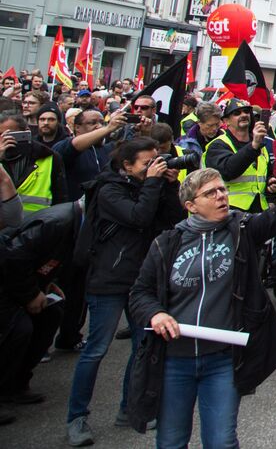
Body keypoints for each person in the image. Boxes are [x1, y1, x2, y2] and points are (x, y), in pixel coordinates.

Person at [128, 155, 276, 447]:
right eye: (211, 193)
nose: (221, 196)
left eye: (222, 189)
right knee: (171, 441)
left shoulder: (241, 230)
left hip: (222, 359)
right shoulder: (167, 243)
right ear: (190, 206)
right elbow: (140, 293)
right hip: (175, 360)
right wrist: (156, 314)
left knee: (222, 441)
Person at [64, 138, 183, 446]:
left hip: (140, 280)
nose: (154, 166)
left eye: (156, 160)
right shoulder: (108, 190)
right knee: (96, 350)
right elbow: (137, 217)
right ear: (126, 166)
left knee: (142, 346)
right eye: (147, 162)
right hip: (108, 279)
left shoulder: (150, 185)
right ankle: (77, 417)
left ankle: (129, 408)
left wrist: (167, 185)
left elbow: (170, 220)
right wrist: (153, 184)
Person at [0, 198, 80, 406]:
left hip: (27, 282)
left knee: (52, 314)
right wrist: (30, 295)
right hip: (7, 283)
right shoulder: (56, 222)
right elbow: (14, 258)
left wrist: (47, 282)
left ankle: (17, 381)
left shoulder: (76, 222)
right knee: (19, 329)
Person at [203, 104, 276, 213]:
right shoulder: (217, 145)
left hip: (260, 210)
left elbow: (264, 175)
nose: (243, 115)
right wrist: (253, 145)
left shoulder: (259, 143)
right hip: (230, 211)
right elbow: (228, 171)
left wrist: (271, 183)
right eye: (237, 113)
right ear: (226, 121)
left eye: (246, 111)